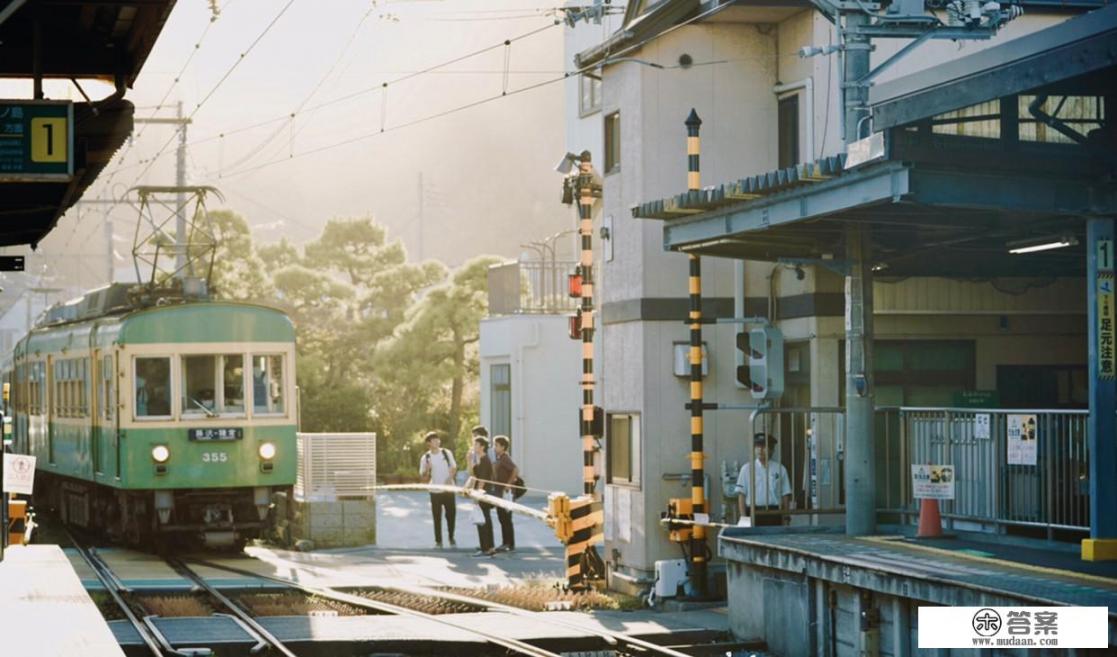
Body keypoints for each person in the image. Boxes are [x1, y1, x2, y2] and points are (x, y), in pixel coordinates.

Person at [737, 432, 792, 526]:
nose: (760, 450)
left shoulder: (780, 469)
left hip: (774, 513)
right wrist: (744, 518)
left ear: (772, 449)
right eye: (757, 446)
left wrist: (786, 517)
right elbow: (742, 495)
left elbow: (785, 496)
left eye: (764, 446)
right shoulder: (746, 469)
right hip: (753, 512)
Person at [419, 431, 457, 548]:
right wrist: (427, 469)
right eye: (434, 440)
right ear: (429, 443)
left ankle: (451, 537)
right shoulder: (426, 457)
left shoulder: (446, 453)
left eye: (438, 439)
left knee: (451, 515)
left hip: (449, 489)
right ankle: (438, 541)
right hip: (435, 491)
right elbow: (423, 476)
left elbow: (454, 467)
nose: (437, 441)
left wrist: (449, 479)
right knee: (437, 516)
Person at [464, 435, 496, 557]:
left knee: (483, 521)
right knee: (484, 520)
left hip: (483, 494)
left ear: (482, 447)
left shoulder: (484, 460)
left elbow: (482, 480)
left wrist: (477, 496)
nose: (473, 446)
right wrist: (469, 460)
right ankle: (488, 547)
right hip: (481, 493)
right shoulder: (480, 459)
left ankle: (486, 548)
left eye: (476, 444)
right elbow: (472, 474)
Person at [492, 435, 518, 552]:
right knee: (503, 518)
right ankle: (507, 543)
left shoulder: (504, 458)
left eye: (496, 445)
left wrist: (508, 484)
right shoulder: (499, 458)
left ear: (503, 447)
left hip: (505, 494)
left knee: (505, 518)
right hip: (499, 492)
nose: (494, 447)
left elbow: (515, 469)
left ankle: (508, 543)